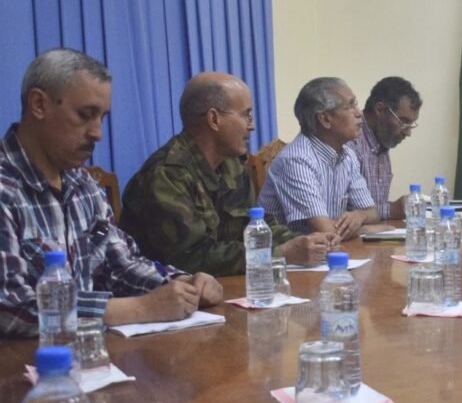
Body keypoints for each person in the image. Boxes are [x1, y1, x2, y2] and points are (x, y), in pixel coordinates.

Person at [0, 48, 222, 337]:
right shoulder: (7, 189)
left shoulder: (83, 185)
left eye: (102, 117)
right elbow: (9, 308)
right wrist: (139, 309)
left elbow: (120, 264)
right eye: (85, 115)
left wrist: (181, 284)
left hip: (88, 359)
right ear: (39, 104)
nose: (97, 133)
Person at [120, 72, 335, 276]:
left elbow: (259, 225)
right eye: (246, 115)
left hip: (225, 288)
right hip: (168, 298)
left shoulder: (232, 165)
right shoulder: (167, 174)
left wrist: (309, 243)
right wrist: (281, 254)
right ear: (214, 119)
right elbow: (189, 259)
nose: (251, 126)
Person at [259, 77, 379, 240]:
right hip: (288, 259)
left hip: (327, 253)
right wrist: (364, 230)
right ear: (325, 119)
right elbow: (326, 232)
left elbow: (372, 212)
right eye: (350, 106)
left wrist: (359, 216)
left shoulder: (348, 155)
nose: (359, 114)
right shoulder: (296, 160)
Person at [350, 76, 422, 220]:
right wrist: (392, 209)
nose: (408, 132)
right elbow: (347, 213)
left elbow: (373, 206)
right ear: (380, 110)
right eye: (404, 121)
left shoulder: (382, 142)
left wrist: (395, 208)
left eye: (411, 124)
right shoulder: (350, 140)